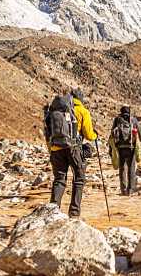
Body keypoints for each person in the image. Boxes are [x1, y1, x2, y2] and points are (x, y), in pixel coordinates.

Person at [44, 89, 98, 217]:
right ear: (81, 99)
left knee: (59, 179)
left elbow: (48, 133)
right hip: (74, 148)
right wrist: (95, 135)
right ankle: (74, 213)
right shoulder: (82, 111)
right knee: (79, 179)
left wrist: (51, 150)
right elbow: (89, 135)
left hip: (56, 149)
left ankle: (53, 212)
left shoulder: (54, 111)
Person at [109, 105, 141, 196]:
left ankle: (123, 189)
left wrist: (110, 147)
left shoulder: (117, 120)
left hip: (120, 147)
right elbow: (140, 132)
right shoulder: (133, 120)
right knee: (131, 168)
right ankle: (131, 189)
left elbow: (112, 133)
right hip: (131, 147)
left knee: (122, 168)